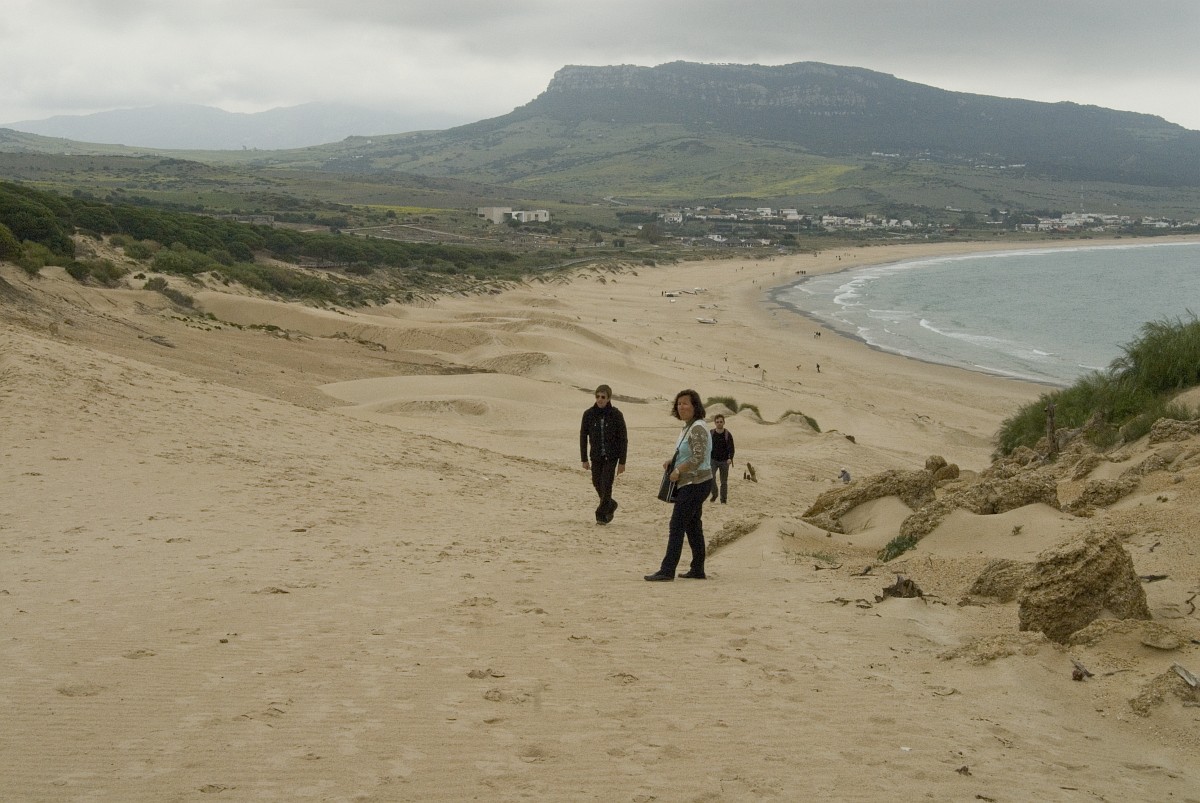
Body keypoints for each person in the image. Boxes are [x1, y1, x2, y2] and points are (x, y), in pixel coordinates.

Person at [645, 389, 713, 581]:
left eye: (685, 403)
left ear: (695, 406)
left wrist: (678, 470)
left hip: (695, 483)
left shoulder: (697, 427)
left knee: (677, 525)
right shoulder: (689, 426)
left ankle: (667, 570)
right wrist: (672, 461)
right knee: (693, 526)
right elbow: (690, 452)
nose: (681, 407)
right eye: (679, 403)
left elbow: (698, 457)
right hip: (694, 482)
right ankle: (697, 569)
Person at [580, 384, 627, 524]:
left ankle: (601, 515)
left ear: (609, 398)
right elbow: (583, 437)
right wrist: (584, 459)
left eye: (603, 397)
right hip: (595, 456)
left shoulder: (616, 415)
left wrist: (622, 462)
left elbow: (623, 439)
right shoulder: (588, 414)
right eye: (597, 396)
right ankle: (610, 504)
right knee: (596, 482)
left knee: (606, 484)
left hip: (611, 457)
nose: (600, 399)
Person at [708, 414, 735, 503]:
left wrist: (730, 458)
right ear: (715, 423)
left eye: (721, 422)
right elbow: (706, 446)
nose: (719, 423)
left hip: (724, 461)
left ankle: (723, 500)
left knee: (724, 481)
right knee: (711, 477)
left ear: (724, 422)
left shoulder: (727, 434)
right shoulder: (711, 433)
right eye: (717, 422)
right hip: (713, 460)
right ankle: (714, 494)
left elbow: (731, 448)